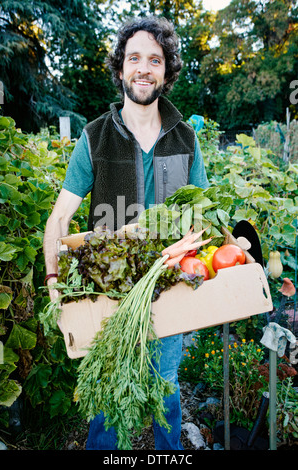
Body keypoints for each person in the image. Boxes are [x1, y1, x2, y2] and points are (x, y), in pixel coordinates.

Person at [43, 15, 209, 450]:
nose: (143, 68)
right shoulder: (95, 137)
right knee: (108, 396)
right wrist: (54, 280)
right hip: (110, 287)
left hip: (170, 284)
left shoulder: (186, 139)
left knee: (165, 387)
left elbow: (206, 219)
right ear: (120, 69)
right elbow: (60, 219)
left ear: (167, 72)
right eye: (134, 58)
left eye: (155, 60)